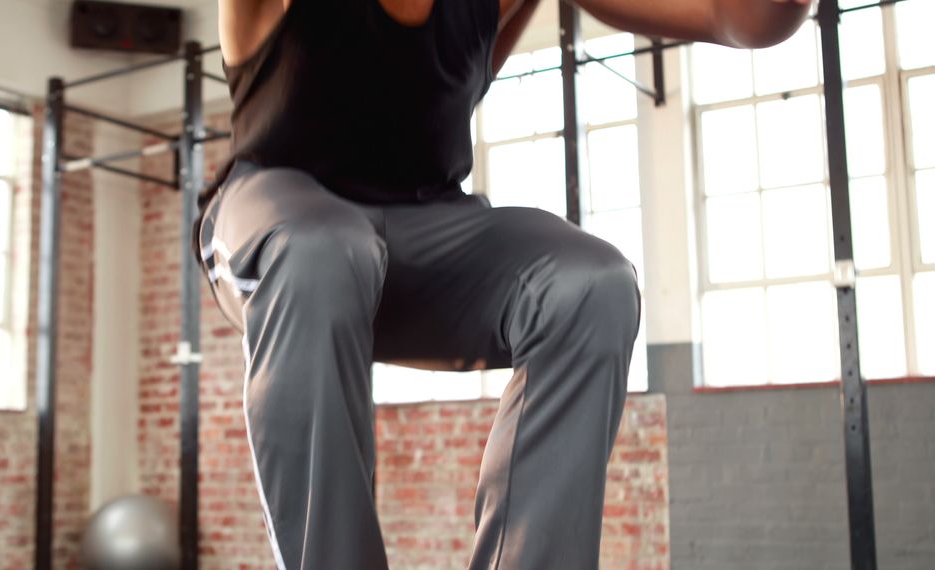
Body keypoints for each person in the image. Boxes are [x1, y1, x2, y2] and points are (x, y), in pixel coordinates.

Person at [192, 0, 810, 567]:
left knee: (591, 285)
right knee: (321, 248)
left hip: (427, 237)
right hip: (277, 224)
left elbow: (749, 18)